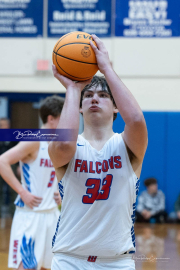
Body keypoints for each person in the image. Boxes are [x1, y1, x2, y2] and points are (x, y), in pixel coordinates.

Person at [48, 34, 148, 270]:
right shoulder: (69, 147)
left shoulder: (127, 145)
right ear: (80, 108)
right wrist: (73, 89)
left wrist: (106, 68)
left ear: (115, 107)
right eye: (89, 95)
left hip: (117, 261)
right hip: (68, 259)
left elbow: (134, 118)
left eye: (103, 95)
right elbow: (63, 146)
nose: (94, 99)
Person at [0, 95, 64, 270]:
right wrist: (22, 192)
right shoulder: (34, 140)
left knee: (50, 266)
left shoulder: (58, 143)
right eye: (63, 117)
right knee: (26, 267)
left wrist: (60, 190)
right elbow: (2, 162)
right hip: (31, 215)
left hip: (51, 214)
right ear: (51, 119)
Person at [0, 118, 19, 225]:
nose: (4, 127)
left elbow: (20, 152)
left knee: (13, 189)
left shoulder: (14, 136)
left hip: (11, 165)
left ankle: (14, 212)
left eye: (5, 125)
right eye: (1, 125)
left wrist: (18, 166)